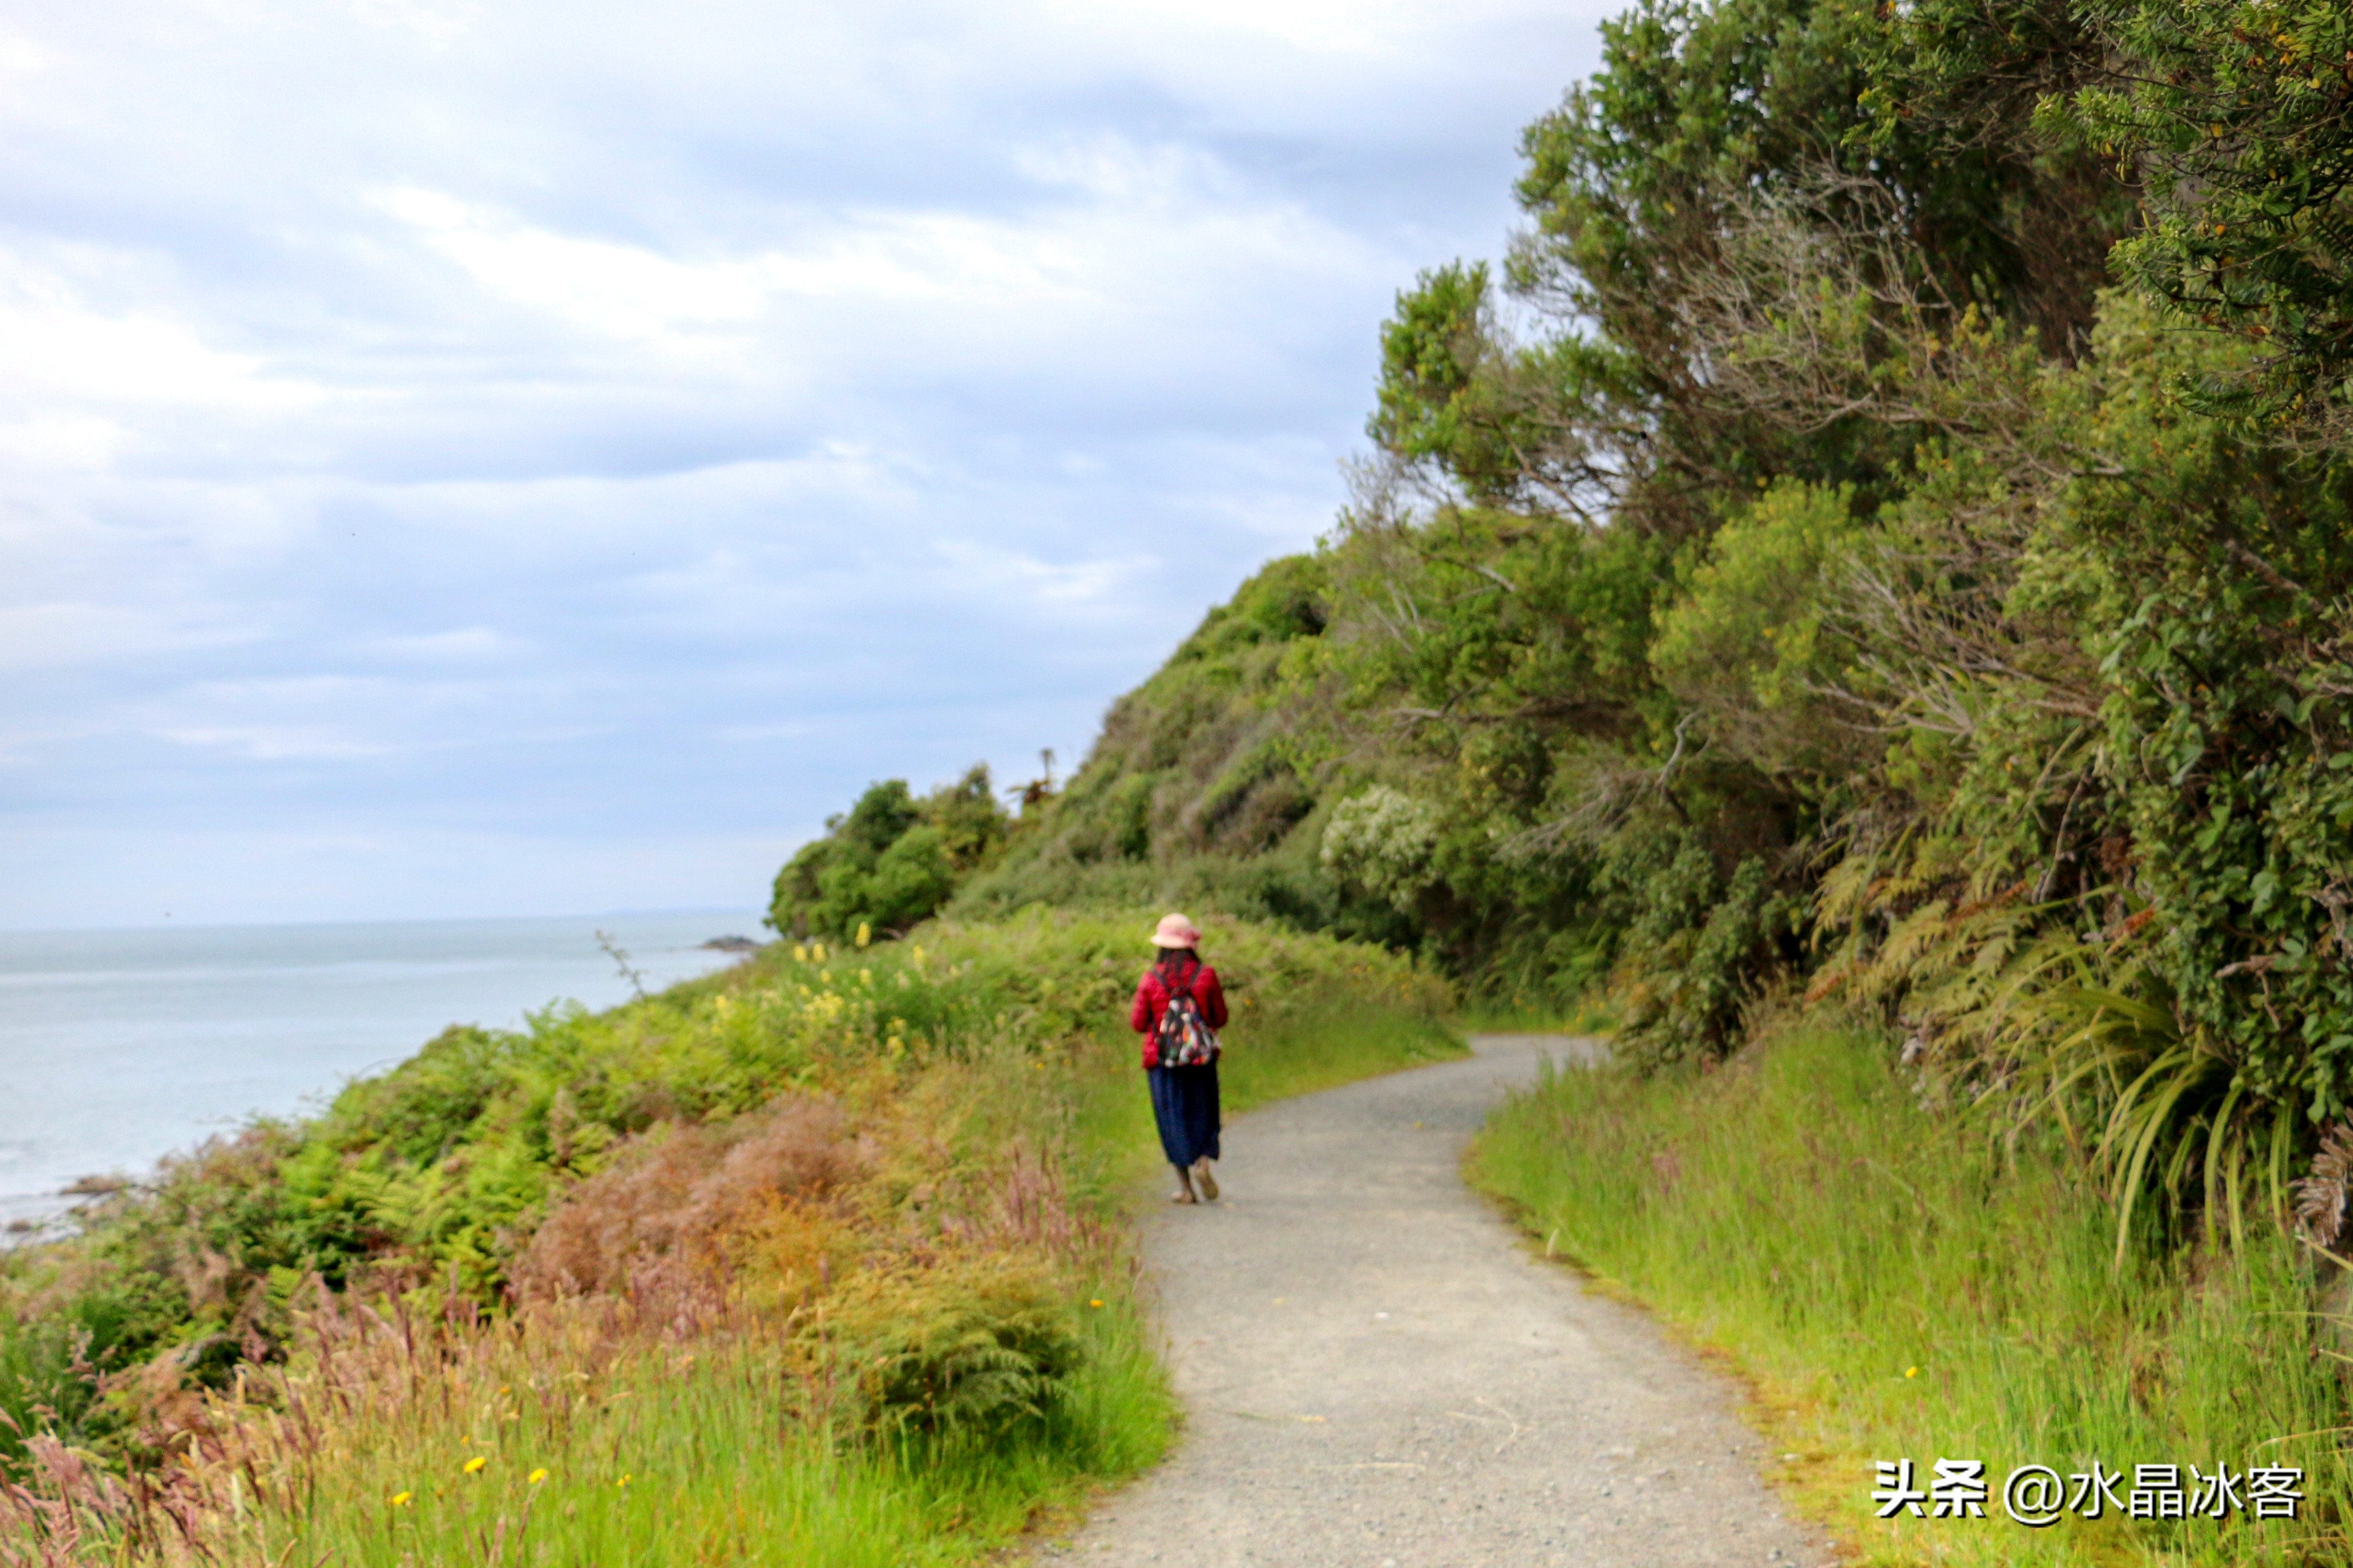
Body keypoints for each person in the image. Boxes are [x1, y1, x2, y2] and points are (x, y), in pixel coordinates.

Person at [1129, 912, 1227, 1203]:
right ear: (1190, 945)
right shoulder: (1206, 975)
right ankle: (1202, 1162)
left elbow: (1137, 1023)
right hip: (1201, 1061)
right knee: (1203, 1112)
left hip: (1163, 1063)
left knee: (1173, 1119)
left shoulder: (1151, 979)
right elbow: (1220, 1016)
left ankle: (1186, 1189)